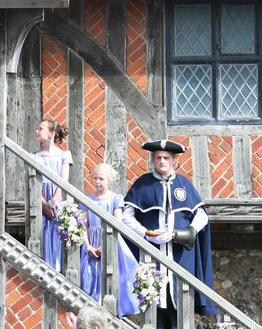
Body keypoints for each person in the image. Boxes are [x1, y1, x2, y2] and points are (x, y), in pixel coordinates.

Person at [123, 139, 216, 329]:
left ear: (174, 160)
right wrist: (146, 234)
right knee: (153, 308)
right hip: (151, 258)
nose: (162, 161)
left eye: (166, 158)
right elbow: (126, 216)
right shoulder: (143, 184)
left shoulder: (184, 184)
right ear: (153, 160)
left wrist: (187, 232)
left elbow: (201, 215)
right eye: (158, 158)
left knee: (180, 310)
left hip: (181, 258)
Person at [80, 163, 139, 317]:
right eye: (95, 178)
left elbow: (117, 223)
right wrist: (88, 246)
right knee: (91, 276)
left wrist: (104, 246)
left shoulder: (115, 199)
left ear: (108, 180)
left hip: (110, 241)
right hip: (91, 242)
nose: (97, 182)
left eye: (101, 179)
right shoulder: (87, 199)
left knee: (112, 275)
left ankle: (111, 311)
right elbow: (83, 225)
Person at [33, 118, 72, 272]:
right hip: (40, 200)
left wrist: (53, 201)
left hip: (56, 201)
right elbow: (34, 182)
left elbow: (63, 181)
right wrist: (44, 204)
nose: (37, 131)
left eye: (40, 128)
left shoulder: (63, 155)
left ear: (51, 134)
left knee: (57, 238)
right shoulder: (35, 156)